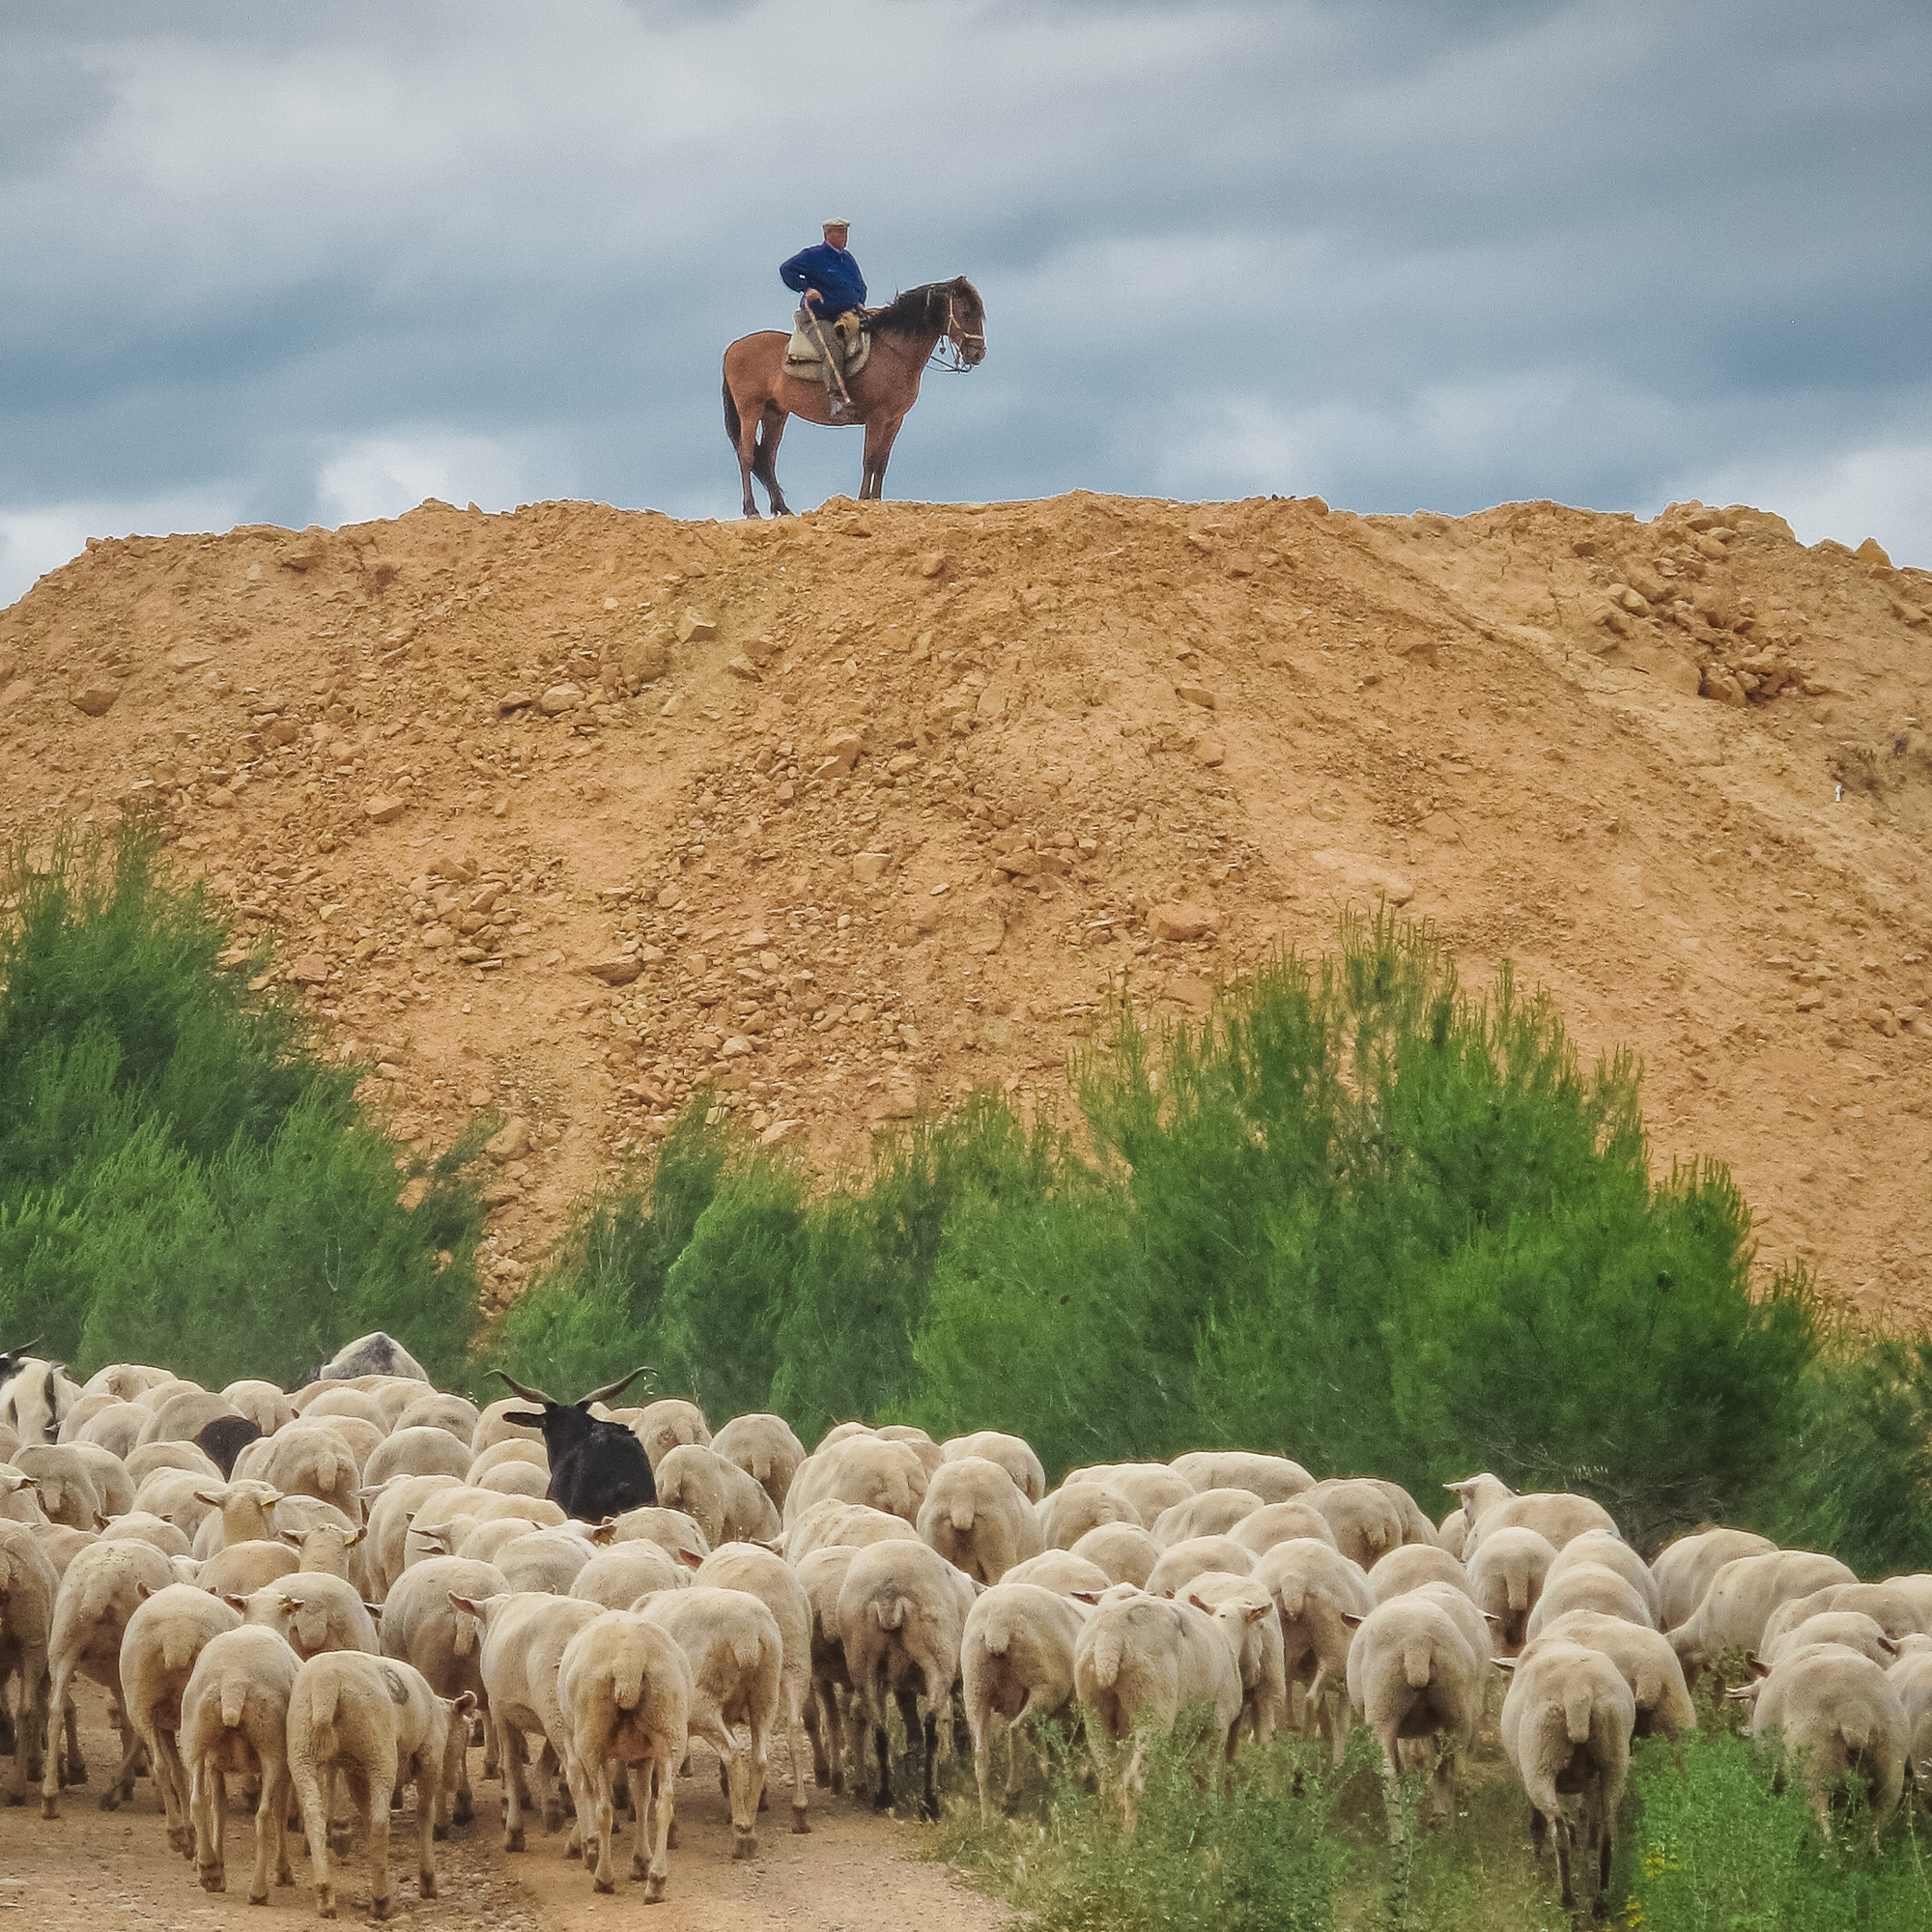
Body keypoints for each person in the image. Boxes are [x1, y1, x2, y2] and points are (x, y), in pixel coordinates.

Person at [781, 219, 867, 414]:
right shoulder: (814, 256)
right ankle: (837, 400)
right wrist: (805, 288)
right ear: (828, 235)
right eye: (839, 233)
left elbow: (860, 285)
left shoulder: (848, 260)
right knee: (832, 348)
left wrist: (860, 301)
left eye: (845, 233)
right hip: (819, 317)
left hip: (848, 316)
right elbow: (786, 269)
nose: (844, 238)